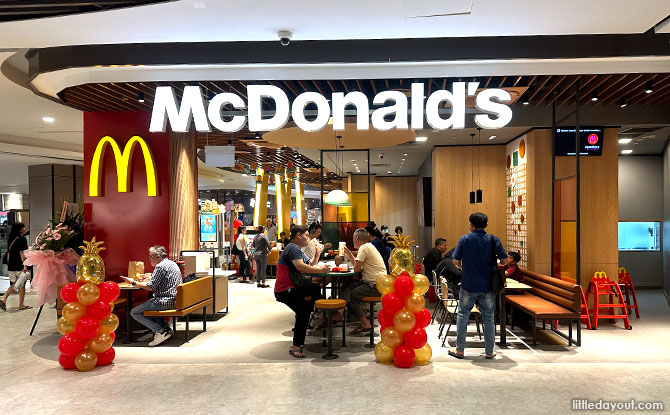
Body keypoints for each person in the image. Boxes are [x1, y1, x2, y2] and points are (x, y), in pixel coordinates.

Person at [450, 212, 507, 360]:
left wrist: (465, 268)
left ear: (471, 225)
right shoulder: (493, 239)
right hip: (488, 286)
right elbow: (505, 261)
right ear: (486, 224)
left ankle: (459, 350)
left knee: (463, 315)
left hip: (468, 284)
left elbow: (455, 261)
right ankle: (489, 351)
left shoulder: (464, 239)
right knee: (488, 318)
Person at [274, 225, 329, 359]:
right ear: (298, 236)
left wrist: (317, 254)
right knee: (303, 311)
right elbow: (300, 267)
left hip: (294, 287)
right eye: (306, 235)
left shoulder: (296, 249)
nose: (308, 238)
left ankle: (310, 314)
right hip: (285, 289)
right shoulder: (292, 248)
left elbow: (309, 265)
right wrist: (321, 270)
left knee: (315, 289)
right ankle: (296, 346)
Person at [123, 245, 182, 347]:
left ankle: (160, 331)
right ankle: (166, 328)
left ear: (158, 256)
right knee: (151, 303)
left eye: (150, 256)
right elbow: (164, 279)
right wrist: (151, 276)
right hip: (174, 298)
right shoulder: (171, 263)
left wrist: (133, 282)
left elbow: (150, 287)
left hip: (165, 301)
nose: (149, 259)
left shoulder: (160, 266)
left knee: (134, 312)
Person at [339, 229, 386, 334]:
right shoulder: (369, 246)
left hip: (376, 285)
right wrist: (349, 253)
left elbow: (356, 269)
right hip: (378, 283)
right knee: (348, 284)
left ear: (356, 238)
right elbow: (358, 267)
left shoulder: (363, 248)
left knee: (352, 295)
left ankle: (365, 323)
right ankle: (340, 312)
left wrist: (349, 255)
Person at [0, 223, 30, 311]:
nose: (24, 229)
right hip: (19, 264)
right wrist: (25, 265)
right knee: (21, 284)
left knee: (15, 283)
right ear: (19, 229)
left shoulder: (10, 239)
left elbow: (9, 252)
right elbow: (22, 253)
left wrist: (9, 264)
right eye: (23, 227)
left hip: (11, 265)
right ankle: (20, 304)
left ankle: (5, 299)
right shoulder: (22, 239)